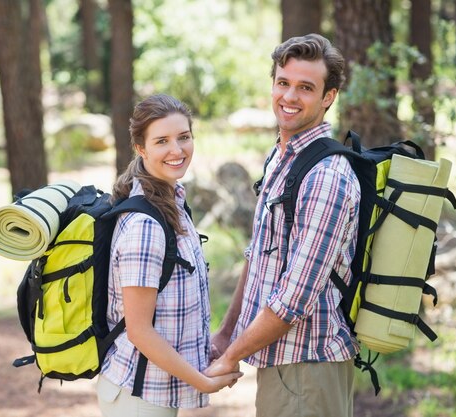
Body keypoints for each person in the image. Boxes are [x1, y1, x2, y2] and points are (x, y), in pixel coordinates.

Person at [206, 34, 360, 417]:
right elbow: (259, 255)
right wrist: (226, 334)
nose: (289, 96)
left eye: (305, 87)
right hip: (283, 363)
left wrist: (233, 356)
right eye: (283, 83)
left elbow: (295, 299)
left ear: (329, 97)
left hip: (309, 369)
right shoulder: (282, 157)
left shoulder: (327, 176)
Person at [97, 94, 243, 417]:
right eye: (162, 141)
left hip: (154, 392)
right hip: (137, 397)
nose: (177, 150)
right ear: (141, 148)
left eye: (184, 137)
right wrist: (202, 381)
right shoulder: (145, 226)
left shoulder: (172, 201)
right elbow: (139, 331)